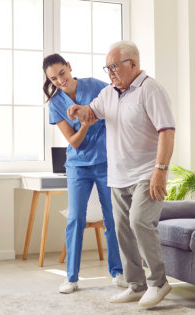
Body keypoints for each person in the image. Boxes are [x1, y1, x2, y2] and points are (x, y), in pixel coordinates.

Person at [68, 41, 175, 308]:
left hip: (146, 173)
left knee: (140, 221)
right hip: (118, 176)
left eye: (115, 67)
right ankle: (136, 285)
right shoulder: (109, 93)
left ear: (133, 64)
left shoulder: (150, 90)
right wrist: (80, 111)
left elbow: (167, 131)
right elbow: (92, 113)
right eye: (108, 68)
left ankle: (159, 282)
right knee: (122, 230)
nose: (110, 73)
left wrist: (160, 171)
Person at [42, 54, 125, 294]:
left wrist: (89, 112)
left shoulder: (97, 86)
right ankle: (71, 278)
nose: (59, 80)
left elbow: (116, 111)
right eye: (53, 78)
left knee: (112, 218)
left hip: (106, 162)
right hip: (78, 166)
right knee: (76, 219)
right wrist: (86, 124)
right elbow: (74, 143)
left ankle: (117, 272)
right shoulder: (55, 103)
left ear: (69, 67)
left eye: (62, 73)